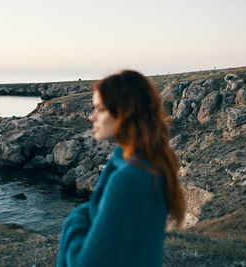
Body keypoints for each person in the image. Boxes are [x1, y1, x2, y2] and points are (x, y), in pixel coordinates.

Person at [57, 70, 186, 267]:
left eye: (100, 109)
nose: (92, 116)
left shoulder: (127, 178)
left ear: (125, 111)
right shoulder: (154, 164)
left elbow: (85, 263)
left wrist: (77, 218)